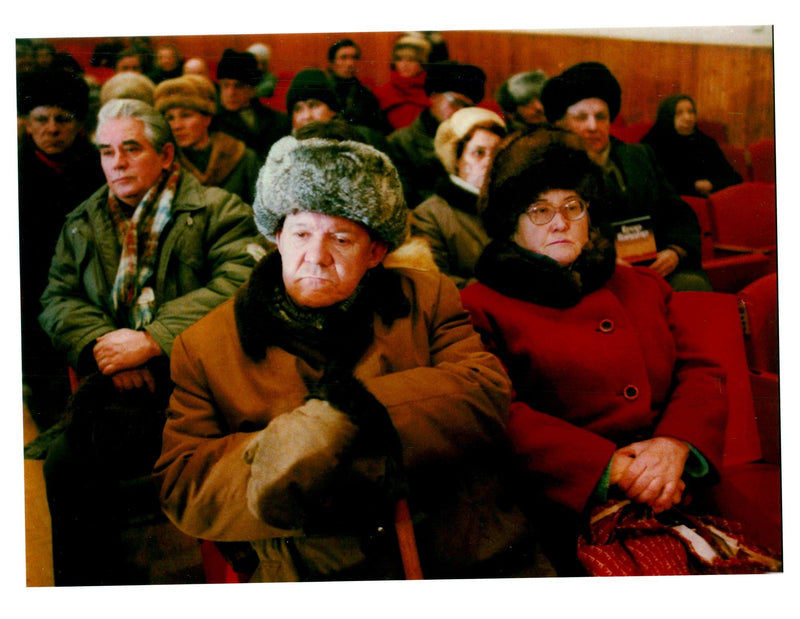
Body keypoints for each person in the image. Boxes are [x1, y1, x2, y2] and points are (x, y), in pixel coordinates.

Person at [154, 135, 550, 582]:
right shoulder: (206, 345)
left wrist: (343, 417)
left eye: (341, 238)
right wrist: (293, 448)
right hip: (313, 571)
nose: (316, 257)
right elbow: (184, 485)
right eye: (301, 234)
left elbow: (484, 390)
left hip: (460, 551)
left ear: (376, 252)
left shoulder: (427, 298)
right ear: (277, 238)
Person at [460, 126, 727, 575]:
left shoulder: (643, 286)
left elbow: (699, 370)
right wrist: (613, 470)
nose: (560, 222)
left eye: (572, 206)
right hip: (562, 507)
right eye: (539, 210)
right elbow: (499, 413)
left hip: (675, 484)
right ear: (512, 223)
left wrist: (675, 445)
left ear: (591, 213)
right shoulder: (480, 306)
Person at [39, 98, 265, 586]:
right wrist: (106, 344)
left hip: (202, 387)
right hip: (120, 386)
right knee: (67, 467)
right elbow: (57, 301)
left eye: (131, 149)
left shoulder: (216, 209)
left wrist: (154, 339)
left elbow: (241, 280)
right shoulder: (82, 222)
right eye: (106, 151)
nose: (116, 163)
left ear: (165, 155)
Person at [541, 62, 711, 292]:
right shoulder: (549, 168)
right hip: (595, 278)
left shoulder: (640, 156)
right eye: (581, 117)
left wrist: (676, 251)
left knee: (693, 287)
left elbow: (678, 212)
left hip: (655, 268)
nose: (593, 126)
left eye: (601, 117)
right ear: (561, 124)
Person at [17, 68, 106, 430]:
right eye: (41, 119)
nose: (51, 129)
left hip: (89, 300)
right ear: (26, 123)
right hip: (30, 302)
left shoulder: (100, 169)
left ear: (79, 123)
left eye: (62, 119)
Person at [411, 107, 506, 288]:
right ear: (455, 159)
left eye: (496, 153)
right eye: (479, 153)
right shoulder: (429, 215)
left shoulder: (514, 205)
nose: (490, 161)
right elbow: (435, 283)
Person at [388, 61, 487, 207]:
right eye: (455, 102)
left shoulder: (478, 141)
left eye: (468, 107)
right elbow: (405, 198)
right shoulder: (402, 142)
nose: (460, 111)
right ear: (433, 97)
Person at [154, 74, 261, 205]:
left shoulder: (243, 158)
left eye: (186, 115)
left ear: (207, 118)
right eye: (170, 118)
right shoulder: (165, 164)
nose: (177, 126)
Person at [640, 94, 743, 197]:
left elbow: (734, 178)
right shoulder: (651, 144)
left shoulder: (706, 143)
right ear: (667, 117)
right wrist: (693, 186)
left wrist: (712, 184)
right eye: (679, 113)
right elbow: (653, 183)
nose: (688, 118)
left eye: (691, 112)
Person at [286, 68, 395, 158]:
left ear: (332, 110)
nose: (306, 116)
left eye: (313, 105)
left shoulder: (365, 140)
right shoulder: (284, 153)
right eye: (298, 109)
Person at [212, 48, 291, 161]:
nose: (231, 93)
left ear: (252, 89)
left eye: (238, 86)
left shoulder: (279, 120)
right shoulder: (213, 122)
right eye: (225, 86)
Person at [326, 38, 389, 133]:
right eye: (344, 58)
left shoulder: (366, 94)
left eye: (354, 58)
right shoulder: (323, 91)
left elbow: (380, 128)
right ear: (332, 63)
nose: (350, 63)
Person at [375, 33, 432, 132]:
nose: (404, 65)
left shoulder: (431, 91)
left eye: (411, 60)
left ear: (421, 63)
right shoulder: (382, 92)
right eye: (400, 60)